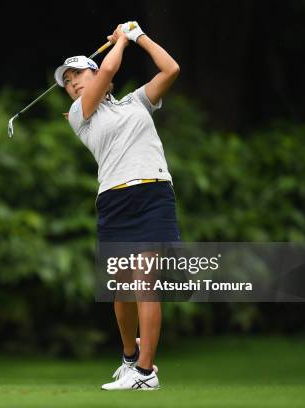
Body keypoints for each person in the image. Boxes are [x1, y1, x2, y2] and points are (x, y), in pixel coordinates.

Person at [54, 21, 181, 390]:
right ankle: (129, 356)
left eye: (80, 74)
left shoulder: (136, 102)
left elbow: (171, 69)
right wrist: (122, 39)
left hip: (153, 194)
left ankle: (144, 372)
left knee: (145, 283)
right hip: (113, 199)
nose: (74, 82)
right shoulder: (81, 115)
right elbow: (108, 66)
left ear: (100, 81)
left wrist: (139, 36)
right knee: (121, 290)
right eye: (68, 81)